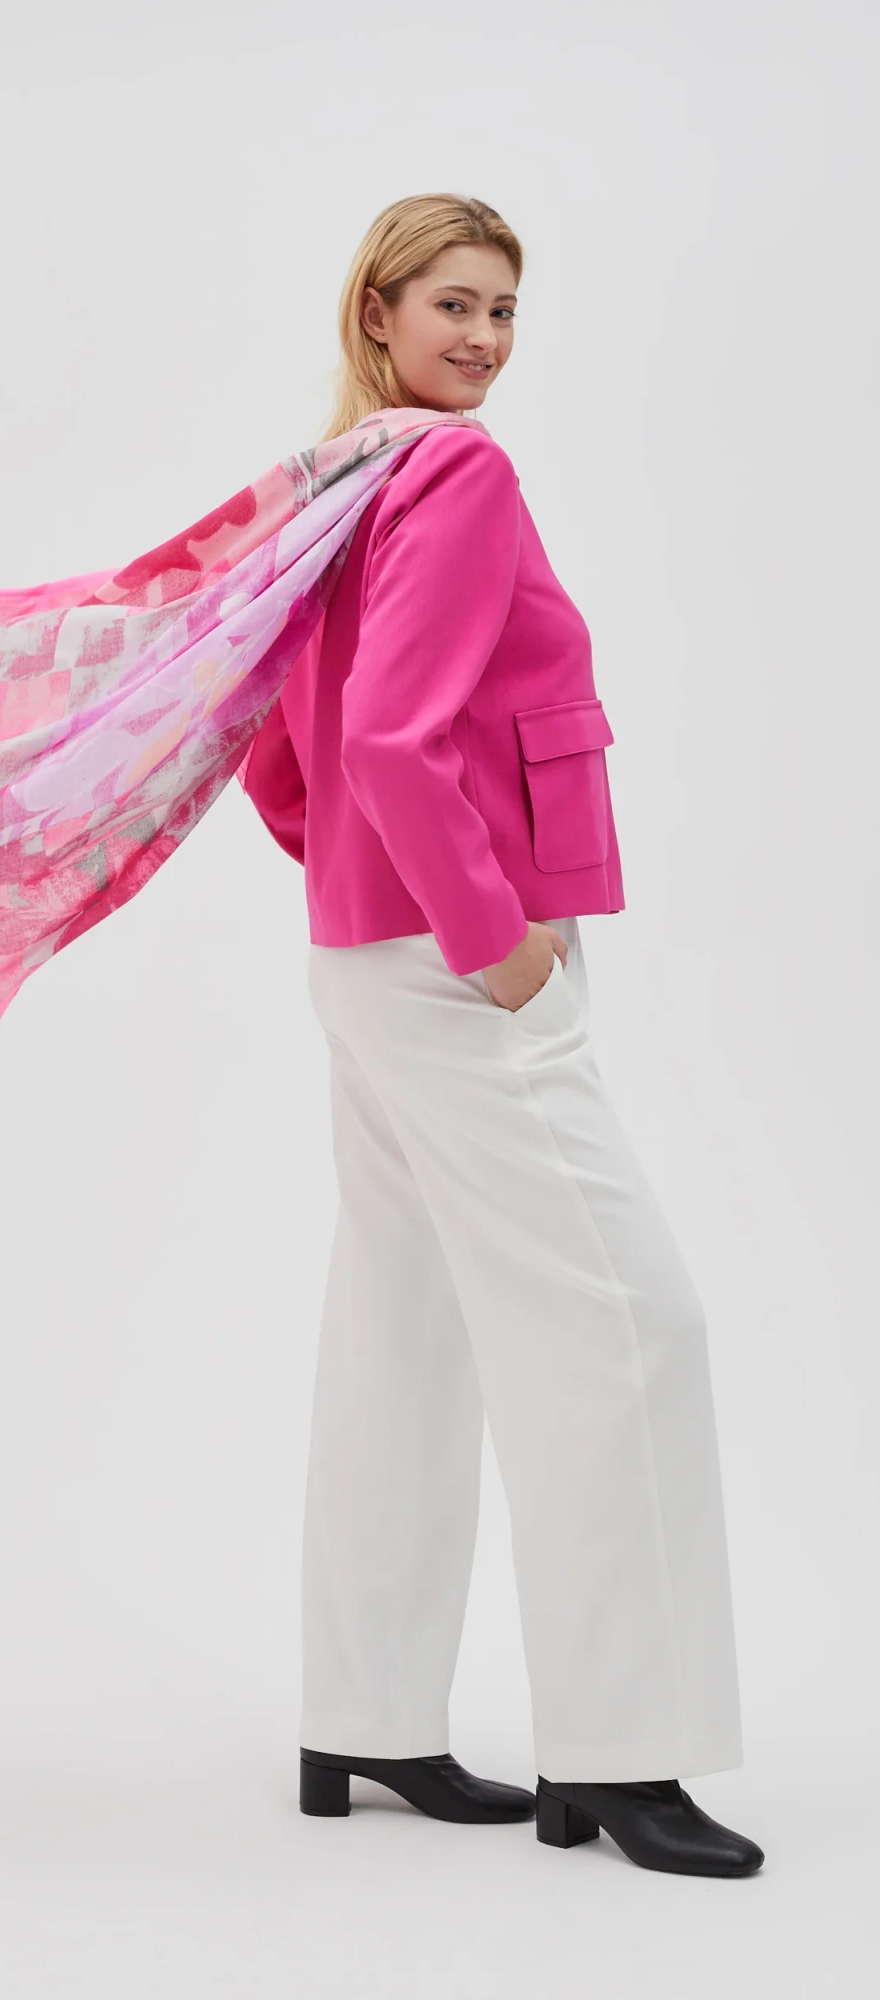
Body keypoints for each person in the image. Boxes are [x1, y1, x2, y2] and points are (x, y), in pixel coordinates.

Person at [239, 193, 763, 1879]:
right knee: (629, 1326)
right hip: (464, 969)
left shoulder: (328, 481)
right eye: (452, 305)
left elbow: (279, 741)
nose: (481, 340)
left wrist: (351, 879)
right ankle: (623, 1754)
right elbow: (391, 739)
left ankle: (364, 1714)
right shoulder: (451, 472)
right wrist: (497, 946)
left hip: (364, 957)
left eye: (503, 311)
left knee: (405, 1330)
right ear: (376, 313)